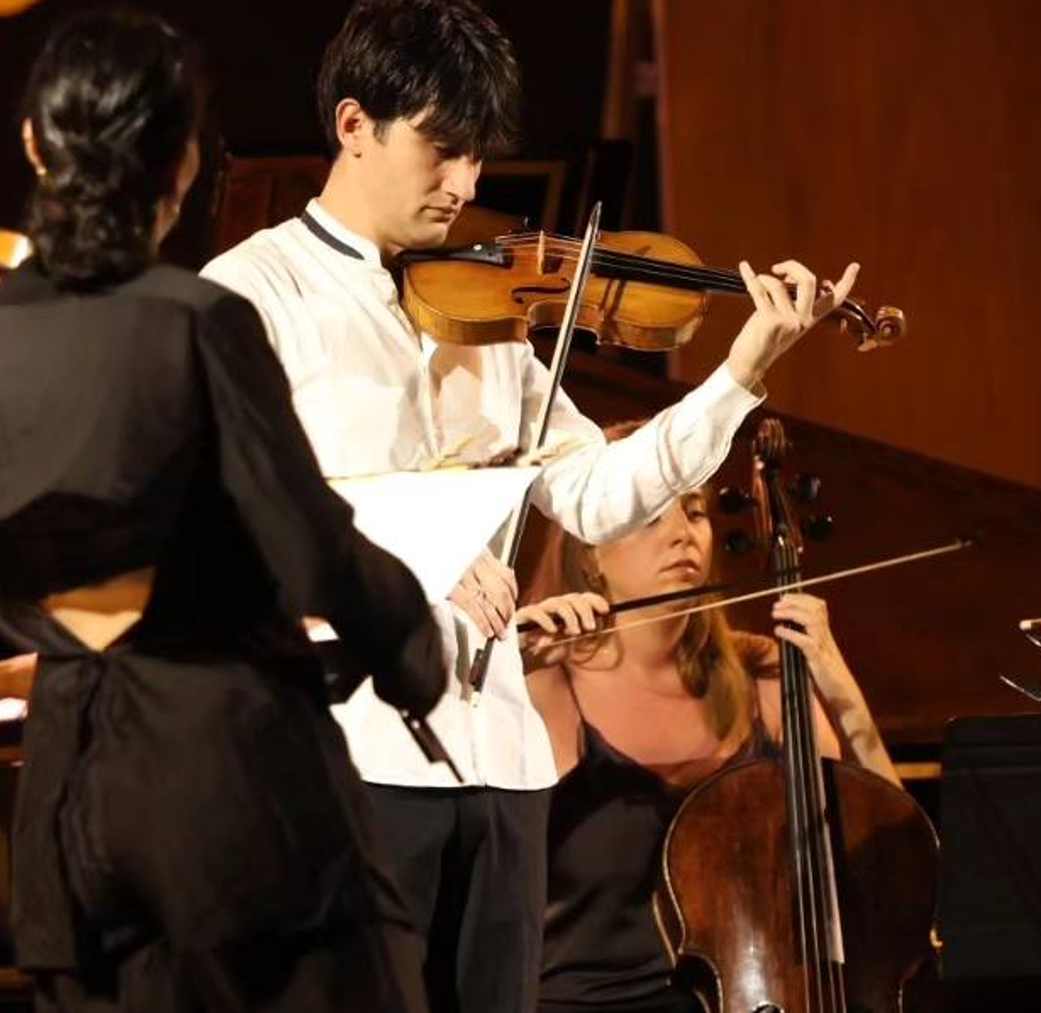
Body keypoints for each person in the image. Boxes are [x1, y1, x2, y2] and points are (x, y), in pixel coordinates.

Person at [199, 2, 859, 1007]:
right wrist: (423, 557)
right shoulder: (250, 295)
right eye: (441, 150)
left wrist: (737, 372)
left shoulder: (494, 317)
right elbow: (244, 512)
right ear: (352, 126)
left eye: (477, 157)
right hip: (347, 756)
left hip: (500, 757)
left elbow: (598, 498)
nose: (465, 185)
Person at [1, 9, 446, 1008]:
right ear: (185, 161)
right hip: (224, 784)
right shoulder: (196, 320)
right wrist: (412, 644)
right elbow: (312, 551)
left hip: (69, 807)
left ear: (35, 144)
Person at [514, 446, 898, 1012]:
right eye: (649, 514)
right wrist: (493, 679)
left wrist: (841, 690)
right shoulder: (544, 683)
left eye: (694, 511)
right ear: (591, 551)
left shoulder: (763, 672)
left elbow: (886, 852)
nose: (681, 534)